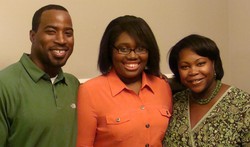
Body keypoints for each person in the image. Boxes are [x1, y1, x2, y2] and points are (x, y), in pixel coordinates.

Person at [77, 15, 172, 147]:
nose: (132, 56)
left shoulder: (162, 86)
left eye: (140, 48)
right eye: (123, 49)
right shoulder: (90, 91)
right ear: (109, 51)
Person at [0, 4, 79, 147]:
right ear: (33, 36)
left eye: (68, 33)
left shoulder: (74, 85)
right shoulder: (4, 84)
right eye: (51, 32)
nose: (61, 40)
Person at [164, 34, 250, 146]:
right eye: (185, 67)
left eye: (200, 64)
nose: (193, 72)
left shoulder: (244, 106)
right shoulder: (175, 102)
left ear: (214, 64)